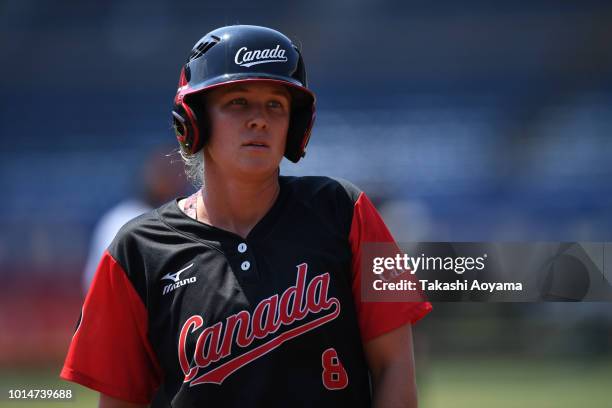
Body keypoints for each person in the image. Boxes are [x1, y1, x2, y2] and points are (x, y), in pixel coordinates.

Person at [60, 25, 432, 408]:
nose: (260, 119)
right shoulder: (137, 250)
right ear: (194, 120)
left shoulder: (347, 210)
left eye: (276, 104)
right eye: (238, 102)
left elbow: (395, 366)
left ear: (296, 126)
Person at [82, 146, 187, 293]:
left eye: (174, 173)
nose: (168, 180)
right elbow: (99, 282)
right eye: (162, 173)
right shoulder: (121, 219)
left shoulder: (186, 219)